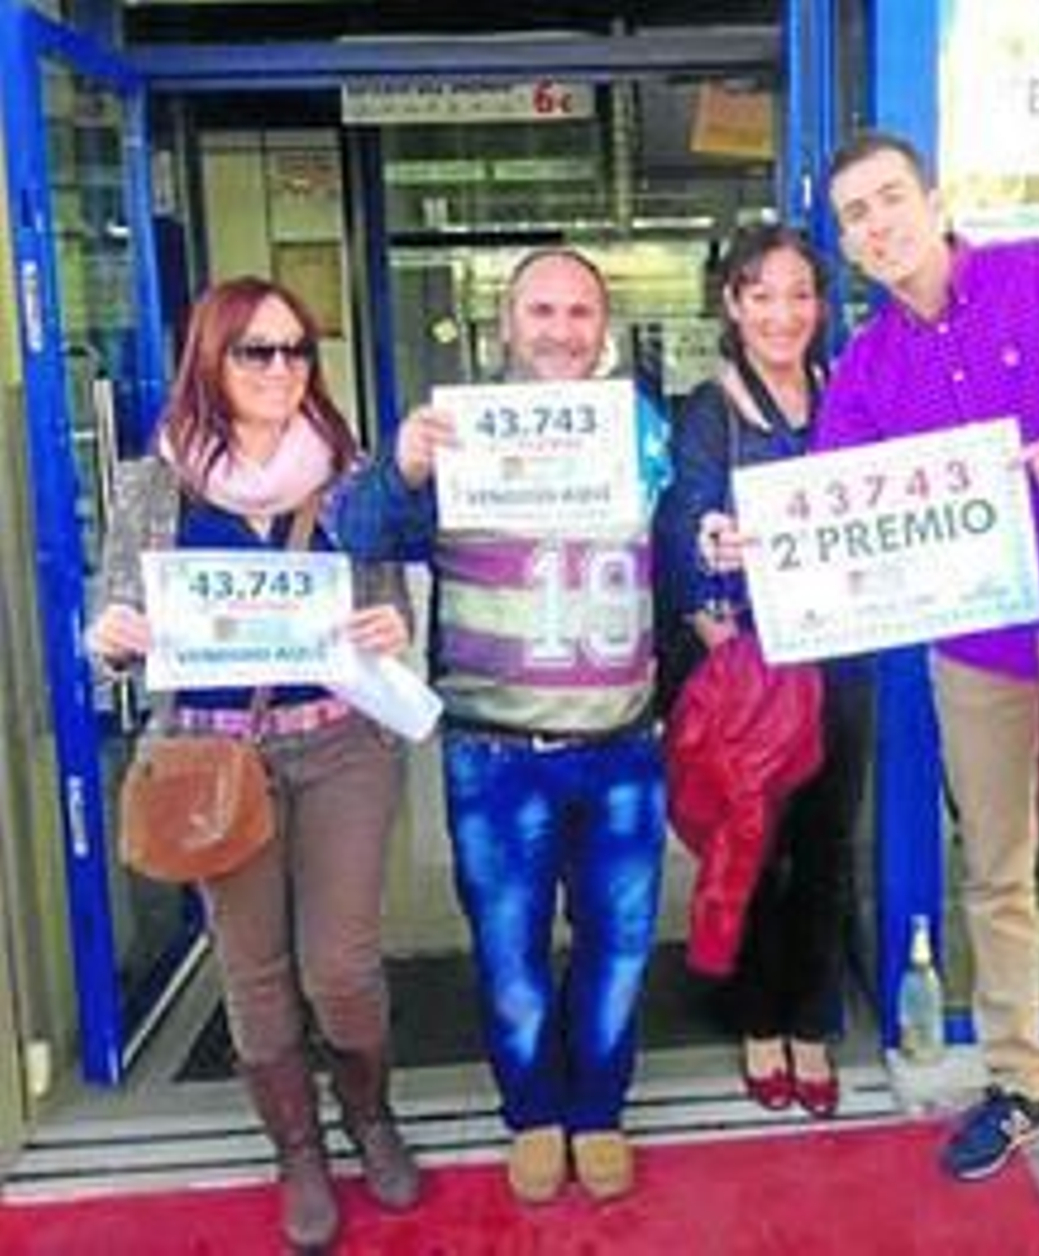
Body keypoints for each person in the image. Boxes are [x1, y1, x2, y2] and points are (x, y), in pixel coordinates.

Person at [706, 130, 1039, 1248]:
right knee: (994, 871)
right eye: (855, 215)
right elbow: (831, 509)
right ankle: (1018, 1080)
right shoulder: (868, 368)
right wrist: (752, 543)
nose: (876, 226)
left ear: (934, 199)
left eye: (889, 200)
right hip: (976, 646)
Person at [85, 277, 420, 1251]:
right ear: (211, 359)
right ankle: (298, 1150)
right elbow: (111, 627)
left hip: (341, 743)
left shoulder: (349, 475)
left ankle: (370, 1114)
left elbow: (390, 608)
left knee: (342, 965)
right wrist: (110, 639)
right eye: (255, 350)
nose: (281, 368)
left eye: (295, 349)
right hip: (213, 758)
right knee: (255, 968)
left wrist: (392, 624)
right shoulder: (156, 483)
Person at [331, 248, 668, 1205]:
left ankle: (597, 1108)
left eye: (579, 312)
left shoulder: (641, 428)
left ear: (603, 327)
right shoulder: (457, 433)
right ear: (507, 324)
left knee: (619, 946)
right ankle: (533, 1113)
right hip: (496, 751)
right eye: (541, 311)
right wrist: (401, 468)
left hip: (622, 742)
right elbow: (360, 530)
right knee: (510, 952)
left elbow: (684, 544)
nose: (561, 330)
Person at [656, 225, 870, 1118]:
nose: (784, 314)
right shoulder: (710, 411)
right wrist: (709, 554)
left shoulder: (846, 390)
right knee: (755, 846)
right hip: (755, 668)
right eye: (762, 295)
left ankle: (811, 1021)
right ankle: (757, 1019)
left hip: (844, 652)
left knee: (826, 846)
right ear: (733, 305)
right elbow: (679, 527)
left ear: (821, 306)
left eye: (800, 295)